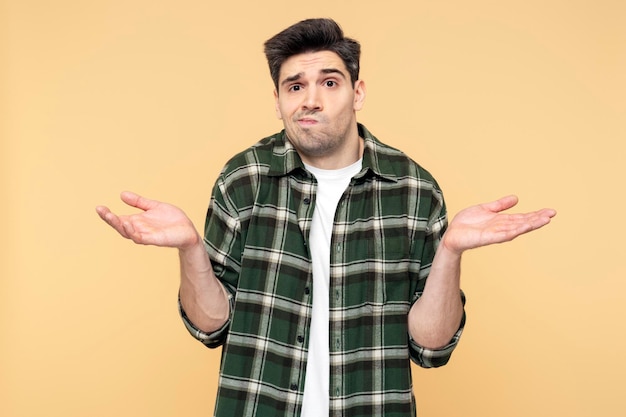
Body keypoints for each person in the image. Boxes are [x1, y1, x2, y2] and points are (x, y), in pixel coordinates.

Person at [96, 18, 556, 417]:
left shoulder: (414, 190)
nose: (310, 100)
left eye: (329, 83)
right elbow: (211, 326)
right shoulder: (245, 179)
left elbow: (430, 347)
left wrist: (452, 251)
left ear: (357, 92)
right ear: (277, 100)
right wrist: (190, 249)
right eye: (295, 86)